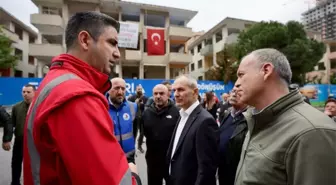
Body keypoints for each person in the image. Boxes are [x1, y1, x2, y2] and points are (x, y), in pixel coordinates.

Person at [23, 11, 140, 185]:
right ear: (85, 40)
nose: (117, 54)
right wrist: (133, 177)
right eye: (112, 43)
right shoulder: (77, 96)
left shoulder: (56, 84)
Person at [234, 48, 336, 185]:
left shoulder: (313, 131)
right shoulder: (257, 119)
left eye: (241, 75)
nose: (236, 84)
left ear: (266, 70)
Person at [166, 75, 219, 185]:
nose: (175, 94)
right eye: (174, 90)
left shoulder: (205, 121)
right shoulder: (182, 114)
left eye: (180, 89)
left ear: (195, 92)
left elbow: (206, 169)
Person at [138, 84, 179, 185]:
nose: (158, 96)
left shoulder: (177, 112)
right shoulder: (146, 113)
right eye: (155, 94)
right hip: (153, 160)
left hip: (171, 161)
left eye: (161, 93)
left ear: (168, 94)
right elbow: (144, 133)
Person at [3, 84, 35, 185]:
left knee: (34, 164)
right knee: (16, 163)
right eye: (24, 92)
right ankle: (15, 182)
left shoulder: (39, 106)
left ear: (34, 93)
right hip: (20, 141)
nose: (25, 94)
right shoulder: (16, 107)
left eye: (28, 92)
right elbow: (10, 124)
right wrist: (7, 139)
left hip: (34, 142)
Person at [218, 89, 248, 185]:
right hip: (223, 172)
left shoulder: (250, 118)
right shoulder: (227, 114)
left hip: (237, 175)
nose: (234, 93)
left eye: (239, 90)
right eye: (233, 90)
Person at [106, 78, 139, 164]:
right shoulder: (101, 107)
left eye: (123, 89)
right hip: (109, 158)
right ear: (108, 90)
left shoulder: (133, 107)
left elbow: (135, 131)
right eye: (116, 88)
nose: (120, 92)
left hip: (129, 157)